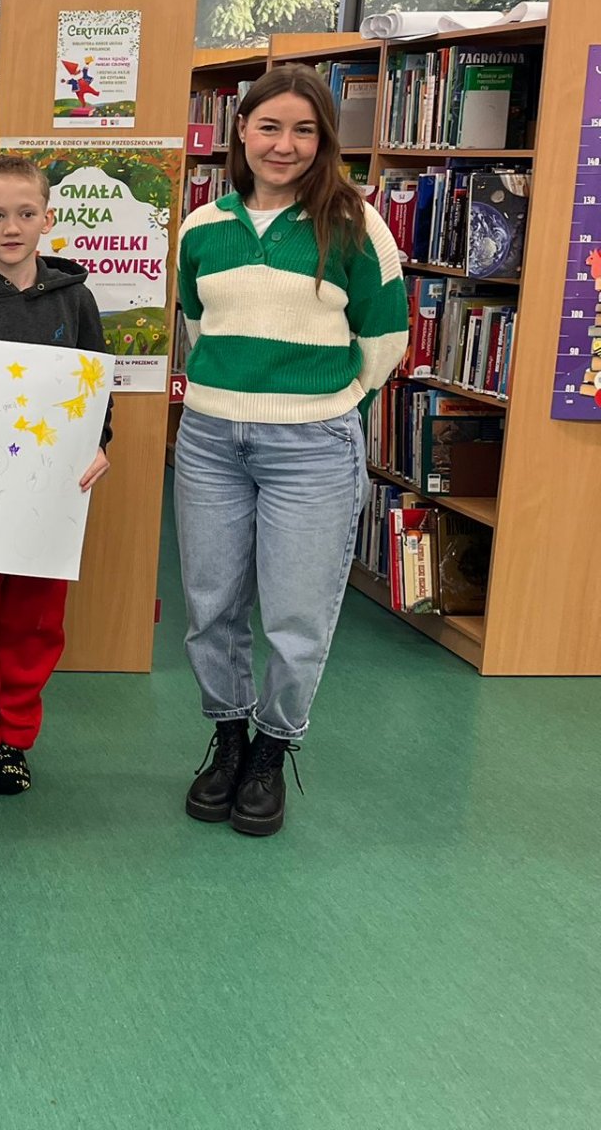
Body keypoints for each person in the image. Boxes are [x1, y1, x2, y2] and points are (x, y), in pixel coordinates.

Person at [175, 65, 408, 836]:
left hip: (313, 445)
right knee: (211, 606)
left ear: (324, 140)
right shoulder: (202, 228)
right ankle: (229, 739)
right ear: (240, 130)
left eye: (304, 130)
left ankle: (272, 751)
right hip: (210, 438)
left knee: (296, 613)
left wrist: (332, 410)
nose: (285, 144)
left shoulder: (355, 225)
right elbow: (199, 325)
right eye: (270, 126)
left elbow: (385, 338)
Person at [0, 154, 114, 796]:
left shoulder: (77, 300)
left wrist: (100, 444)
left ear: (47, 220)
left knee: (35, 623)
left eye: (26, 213)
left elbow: (97, 386)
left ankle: (16, 737)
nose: (12, 227)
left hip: (50, 494)